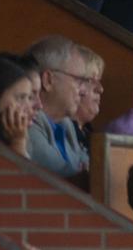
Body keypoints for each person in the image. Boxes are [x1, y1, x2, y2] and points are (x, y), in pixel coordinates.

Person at [22, 35, 95, 177]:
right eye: (79, 80)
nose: (84, 90)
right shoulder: (27, 122)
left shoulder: (66, 123)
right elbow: (66, 178)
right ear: (48, 80)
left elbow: (90, 168)